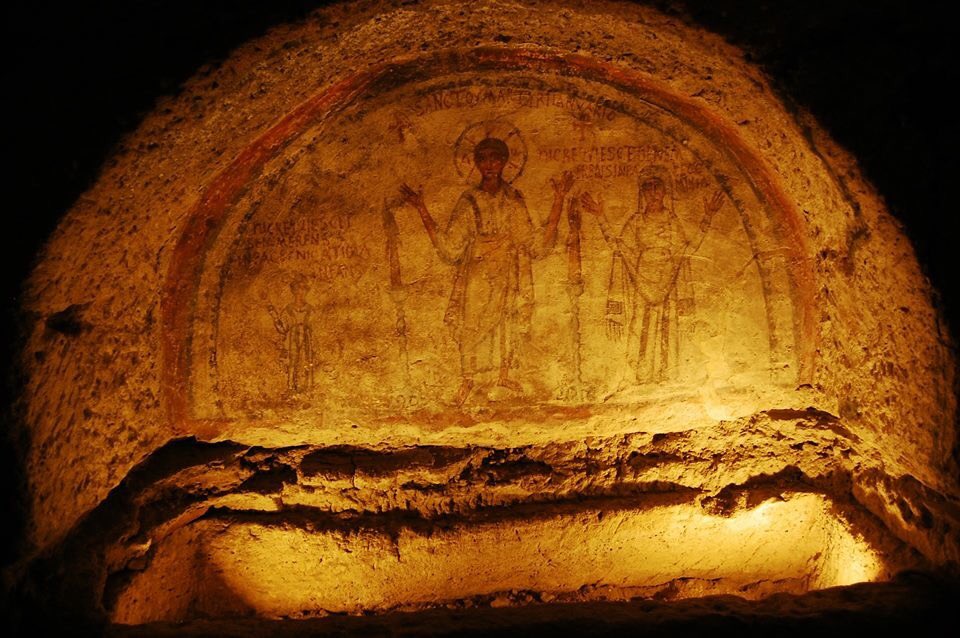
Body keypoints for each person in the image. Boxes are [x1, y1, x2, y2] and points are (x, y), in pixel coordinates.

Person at [401, 137, 573, 405]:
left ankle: (503, 374)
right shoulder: (469, 200)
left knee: (507, 320)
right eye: (483, 158)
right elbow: (451, 245)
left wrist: (558, 200)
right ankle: (467, 380)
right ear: (476, 163)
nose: (490, 164)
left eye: (495, 158)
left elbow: (531, 241)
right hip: (478, 272)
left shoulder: (514, 198)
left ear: (505, 161)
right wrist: (421, 207)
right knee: (471, 324)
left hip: (507, 269)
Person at [581, 169, 723, 385]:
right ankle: (640, 377)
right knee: (641, 326)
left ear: (665, 192)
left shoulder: (671, 220)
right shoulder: (637, 221)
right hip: (642, 277)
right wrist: (600, 217)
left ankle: (667, 375)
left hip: (669, 275)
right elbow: (618, 246)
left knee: (667, 325)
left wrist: (708, 217)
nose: (654, 193)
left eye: (658, 188)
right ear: (643, 193)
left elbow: (690, 247)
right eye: (649, 188)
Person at [266, 274, 316, 392]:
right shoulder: (288, 309)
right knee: (293, 361)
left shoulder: (310, 309)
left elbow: (315, 326)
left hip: (306, 337)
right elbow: (282, 329)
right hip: (292, 337)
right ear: (293, 290)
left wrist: (315, 343)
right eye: (298, 288)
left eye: (303, 289)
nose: (300, 292)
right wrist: (274, 316)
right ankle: (290, 387)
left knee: (308, 360)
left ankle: (308, 387)